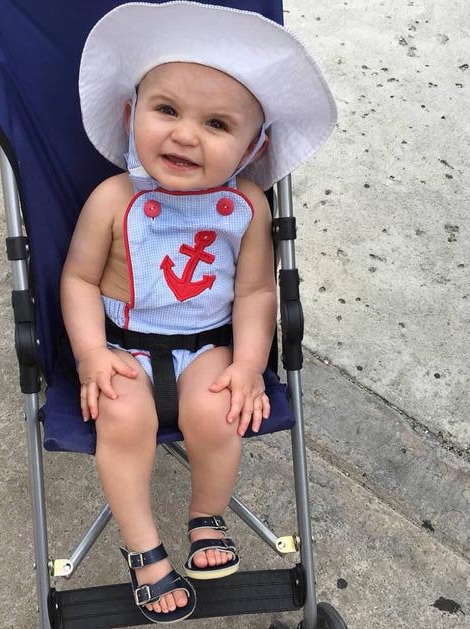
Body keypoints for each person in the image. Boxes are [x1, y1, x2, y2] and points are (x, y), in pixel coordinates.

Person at [61, 2, 336, 623]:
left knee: (219, 413)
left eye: (217, 123)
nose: (185, 134)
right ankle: (145, 552)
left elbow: (256, 293)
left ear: (253, 144)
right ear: (132, 115)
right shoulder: (113, 199)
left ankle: (205, 517)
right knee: (122, 419)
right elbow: (77, 278)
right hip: (123, 346)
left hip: (208, 344)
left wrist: (247, 365)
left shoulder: (246, 207)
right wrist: (89, 355)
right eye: (166, 111)